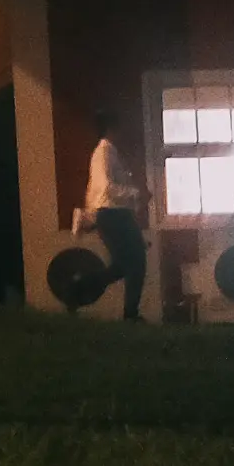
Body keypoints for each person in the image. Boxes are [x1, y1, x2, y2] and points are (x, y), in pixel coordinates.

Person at [81, 128, 149, 322]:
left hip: (116, 215)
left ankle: (79, 287)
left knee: (125, 265)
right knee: (135, 263)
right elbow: (106, 188)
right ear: (111, 130)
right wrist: (135, 193)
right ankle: (130, 314)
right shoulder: (104, 153)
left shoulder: (110, 153)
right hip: (113, 215)